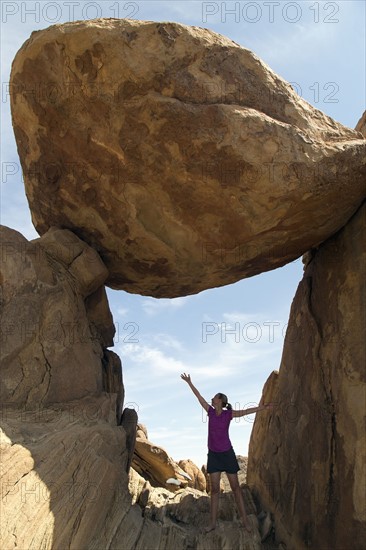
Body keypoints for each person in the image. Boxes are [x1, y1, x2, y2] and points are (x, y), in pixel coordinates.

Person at [180, 372, 273, 533]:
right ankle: (212, 523)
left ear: (221, 401)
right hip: (214, 455)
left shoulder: (228, 414)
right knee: (214, 490)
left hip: (227, 454)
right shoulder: (209, 411)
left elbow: (245, 412)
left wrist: (262, 408)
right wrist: (189, 382)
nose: (212, 399)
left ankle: (245, 521)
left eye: (215, 397)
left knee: (236, 488)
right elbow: (199, 397)